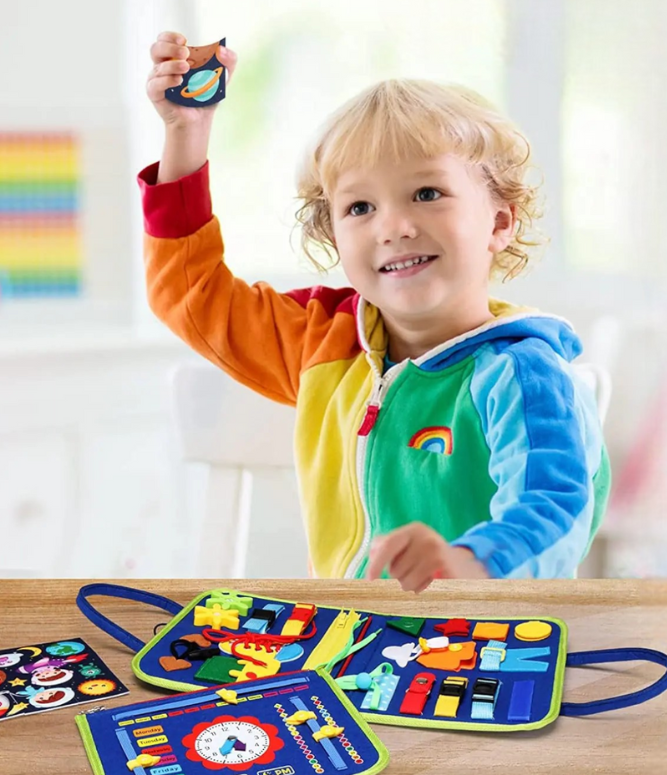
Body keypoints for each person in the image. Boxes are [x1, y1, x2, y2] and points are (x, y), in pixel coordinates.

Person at [140, 32, 610, 592]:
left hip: (485, 643)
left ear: (500, 223)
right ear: (333, 236)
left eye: (428, 193)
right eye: (360, 206)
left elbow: (555, 508)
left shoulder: (523, 371)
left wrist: (472, 565)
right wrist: (185, 132)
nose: (393, 226)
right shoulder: (323, 340)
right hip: (350, 642)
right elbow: (192, 296)